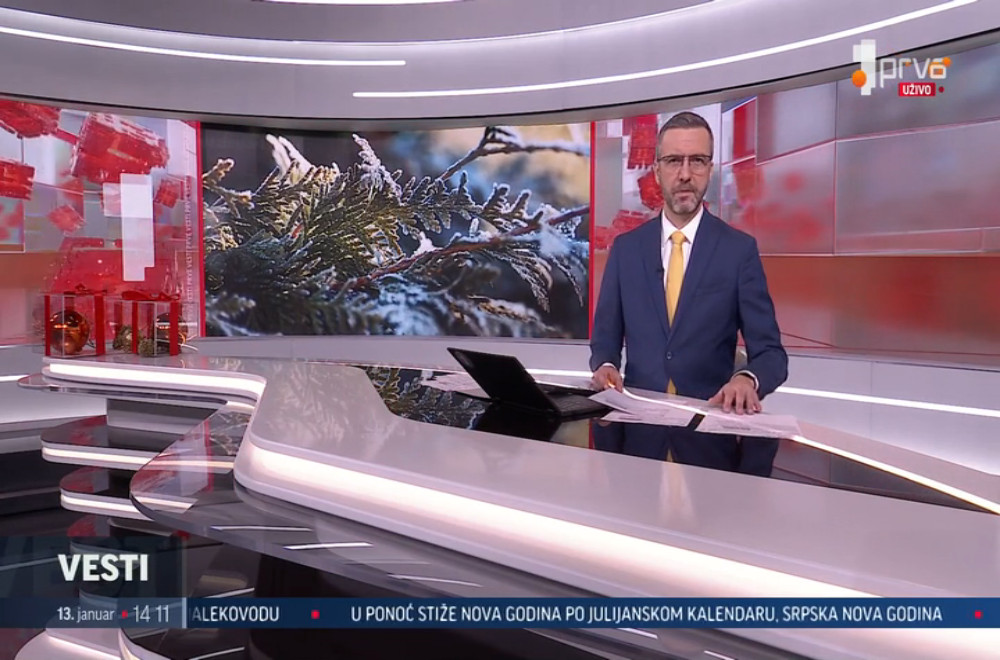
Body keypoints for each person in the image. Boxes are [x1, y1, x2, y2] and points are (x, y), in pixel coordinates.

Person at [590, 111, 787, 414]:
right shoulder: (626, 250)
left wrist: (747, 379)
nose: (685, 174)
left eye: (696, 161)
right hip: (638, 425)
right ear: (657, 171)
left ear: (709, 169)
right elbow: (605, 339)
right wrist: (606, 366)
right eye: (673, 161)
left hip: (708, 425)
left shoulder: (738, 251)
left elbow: (771, 354)